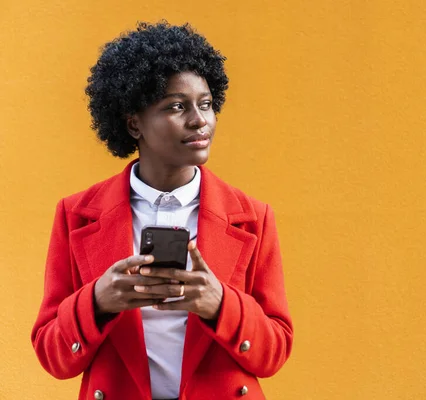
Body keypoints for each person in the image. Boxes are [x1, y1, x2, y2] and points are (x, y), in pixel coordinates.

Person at [31, 22, 293, 400]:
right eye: (176, 106)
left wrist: (221, 304)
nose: (199, 119)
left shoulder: (253, 217)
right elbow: (53, 358)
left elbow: (275, 353)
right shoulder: (75, 215)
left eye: (205, 104)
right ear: (133, 123)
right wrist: (97, 301)